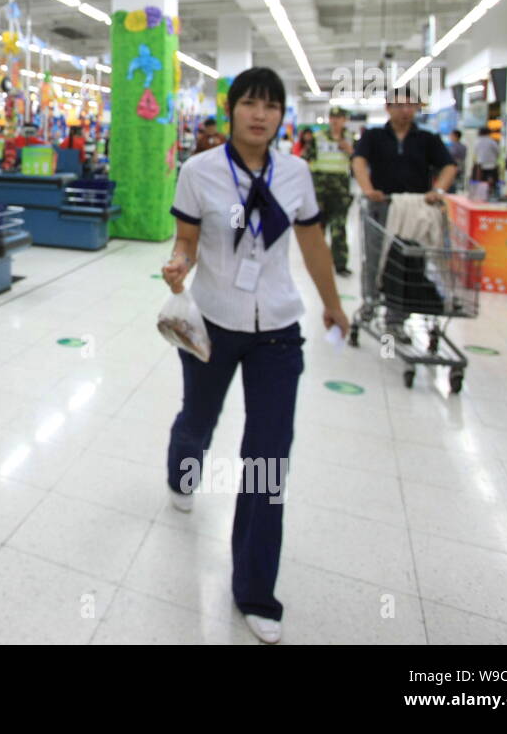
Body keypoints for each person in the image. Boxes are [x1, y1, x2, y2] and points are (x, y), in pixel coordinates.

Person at [162, 67, 348, 646]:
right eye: (249, 103)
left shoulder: (294, 174)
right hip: (213, 324)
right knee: (199, 419)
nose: (259, 114)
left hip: (278, 330)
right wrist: (178, 264)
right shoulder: (199, 172)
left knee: (269, 459)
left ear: (281, 115)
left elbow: (313, 242)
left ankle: (254, 589)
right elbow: (187, 240)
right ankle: (180, 474)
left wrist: (333, 305)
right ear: (231, 110)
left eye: (270, 105)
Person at [351, 86, 457, 342]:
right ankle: (370, 302)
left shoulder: (427, 140)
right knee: (376, 258)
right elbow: (359, 161)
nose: (405, 110)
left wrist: (438, 190)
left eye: (410, 105)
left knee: (407, 261)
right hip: (381, 207)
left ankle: (396, 317)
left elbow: (449, 166)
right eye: (399, 105)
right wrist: (368, 190)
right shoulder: (374, 136)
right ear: (388, 108)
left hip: (414, 211)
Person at [309, 108, 355, 276]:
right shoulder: (318, 138)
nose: (335, 121)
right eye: (333, 117)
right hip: (319, 191)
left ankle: (340, 265)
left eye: (339, 118)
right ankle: (318, 263)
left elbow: (359, 163)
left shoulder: (351, 139)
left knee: (339, 229)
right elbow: (306, 160)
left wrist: (351, 151)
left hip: (340, 192)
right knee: (318, 229)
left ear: (345, 120)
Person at [472, 130, 500, 199]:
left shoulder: (477, 142)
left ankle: (481, 195)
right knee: (492, 180)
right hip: (491, 164)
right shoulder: (492, 141)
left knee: (481, 180)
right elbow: (497, 151)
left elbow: (475, 152)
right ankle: (491, 194)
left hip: (480, 165)